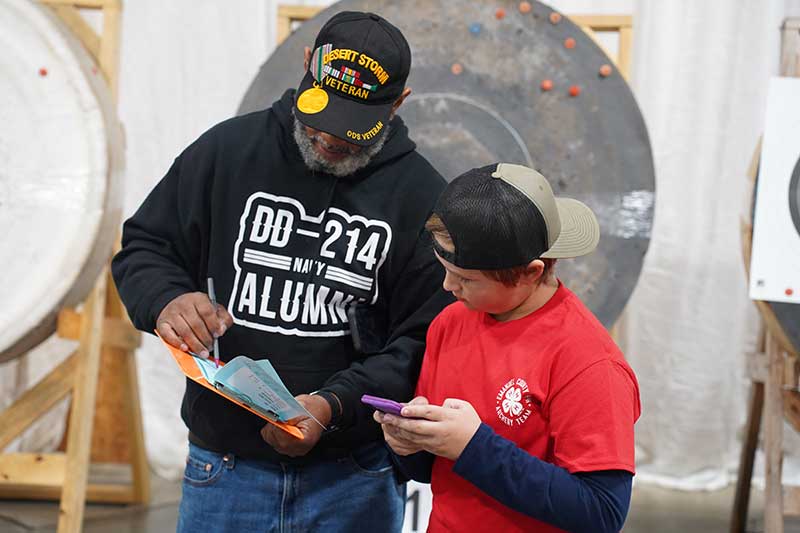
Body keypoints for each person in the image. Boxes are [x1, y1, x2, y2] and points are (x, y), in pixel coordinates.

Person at [112, 11, 452, 533]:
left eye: (352, 129)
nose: (330, 139)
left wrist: (333, 405)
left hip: (353, 476)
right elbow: (145, 246)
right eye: (321, 117)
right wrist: (165, 300)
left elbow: (424, 340)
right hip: (226, 468)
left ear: (398, 104)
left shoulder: (420, 196)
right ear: (305, 69)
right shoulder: (226, 152)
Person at [375, 163, 641, 533]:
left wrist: (473, 447)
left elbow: (600, 512)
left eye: (467, 278)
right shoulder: (449, 324)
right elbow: (434, 470)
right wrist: (411, 444)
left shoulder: (588, 363)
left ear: (531, 272)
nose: (449, 287)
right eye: (445, 269)